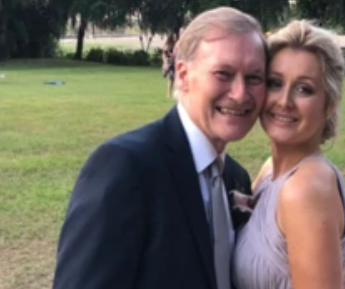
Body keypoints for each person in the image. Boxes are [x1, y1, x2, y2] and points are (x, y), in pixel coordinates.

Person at [52, 7, 267, 289]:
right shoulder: (125, 167)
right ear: (183, 75)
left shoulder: (235, 177)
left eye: (254, 78)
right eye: (223, 74)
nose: (240, 94)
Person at [232, 20, 345, 289]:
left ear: (328, 103)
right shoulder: (270, 172)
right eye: (275, 83)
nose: (284, 101)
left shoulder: (305, 188)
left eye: (304, 89)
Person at [162, 33, 176, 98]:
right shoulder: (167, 46)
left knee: (174, 79)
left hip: (175, 63)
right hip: (170, 64)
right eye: (174, 36)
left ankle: (172, 93)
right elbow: (164, 55)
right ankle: (168, 94)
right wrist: (165, 63)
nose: (175, 37)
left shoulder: (175, 45)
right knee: (171, 79)